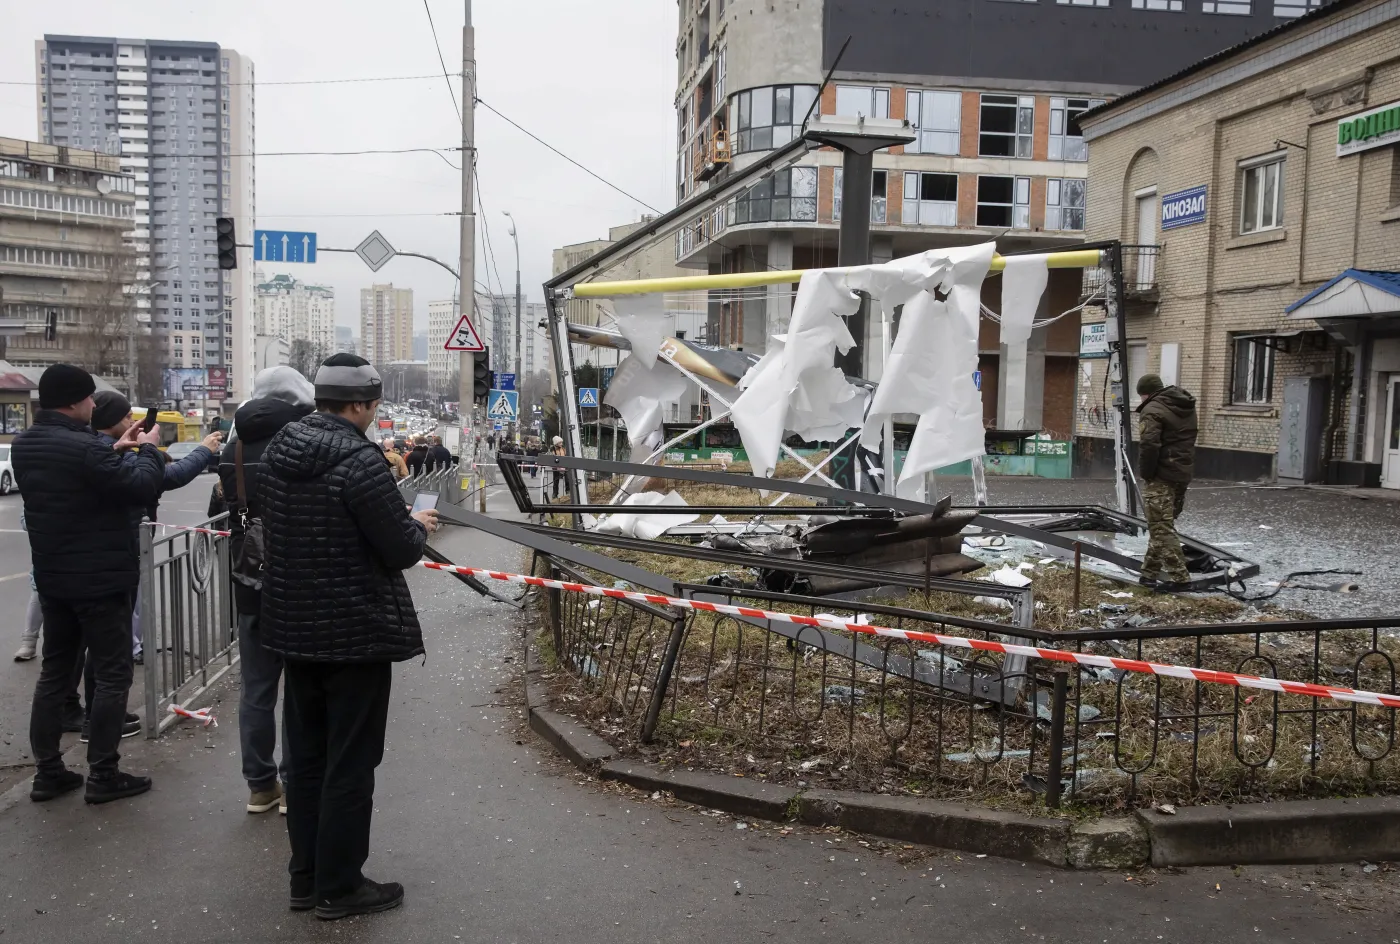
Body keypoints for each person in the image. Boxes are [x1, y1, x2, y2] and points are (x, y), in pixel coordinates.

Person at [258, 353, 439, 919]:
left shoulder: (279, 453)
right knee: (352, 762)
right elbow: (400, 549)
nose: (374, 412)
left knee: (307, 758)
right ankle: (341, 885)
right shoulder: (361, 463)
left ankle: (306, 878)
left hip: (293, 629)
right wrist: (417, 524)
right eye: (373, 404)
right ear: (360, 404)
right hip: (355, 633)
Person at [14, 364, 165, 804]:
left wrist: (115, 448)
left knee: (55, 673)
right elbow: (140, 488)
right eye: (90, 400)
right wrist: (147, 450)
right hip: (100, 583)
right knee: (114, 674)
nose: (93, 406)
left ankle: (48, 772)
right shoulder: (85, 449)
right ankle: (103, 773)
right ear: (76, 402)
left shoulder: (25, 446)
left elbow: (77, 485)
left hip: (54, 580)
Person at [216, 367, 316, 816]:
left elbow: (222, 509)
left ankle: (260, 785)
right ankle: (295, 785)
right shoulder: (305, 443)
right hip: (298, 584)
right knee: (298, 690)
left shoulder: (232, 447)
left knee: (256, 689)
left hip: (249, 581)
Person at [91, 391, 223, 666]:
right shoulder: (114, 453)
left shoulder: (102, 447)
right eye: (127, 417)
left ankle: (126, 651)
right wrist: (203, 450)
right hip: (122, 547)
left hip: (105, 549)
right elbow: (167, 477)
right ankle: (128, 654)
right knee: (122, 619)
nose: (132, 422)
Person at [1136, 373, 1199, 589]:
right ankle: (1148, 574)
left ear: (1145, 394)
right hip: (1181, 473)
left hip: (1161, 475)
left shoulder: (1152, 410)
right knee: (1162, 525)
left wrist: (1147, 473)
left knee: (1161, 528)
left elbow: (1149, 445)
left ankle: (1180, 579)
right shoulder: (1184, 406)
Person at [550, 435, 567, 500]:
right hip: (556, 467)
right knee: (556, 480)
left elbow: (565, 455)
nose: (561, 444)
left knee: (567, 480)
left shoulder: (563, 449)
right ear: (556, 443)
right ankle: (555, 493)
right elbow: (552, 458)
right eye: (560, 443)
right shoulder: (553, 449)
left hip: (564, 466)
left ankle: (567, 491)